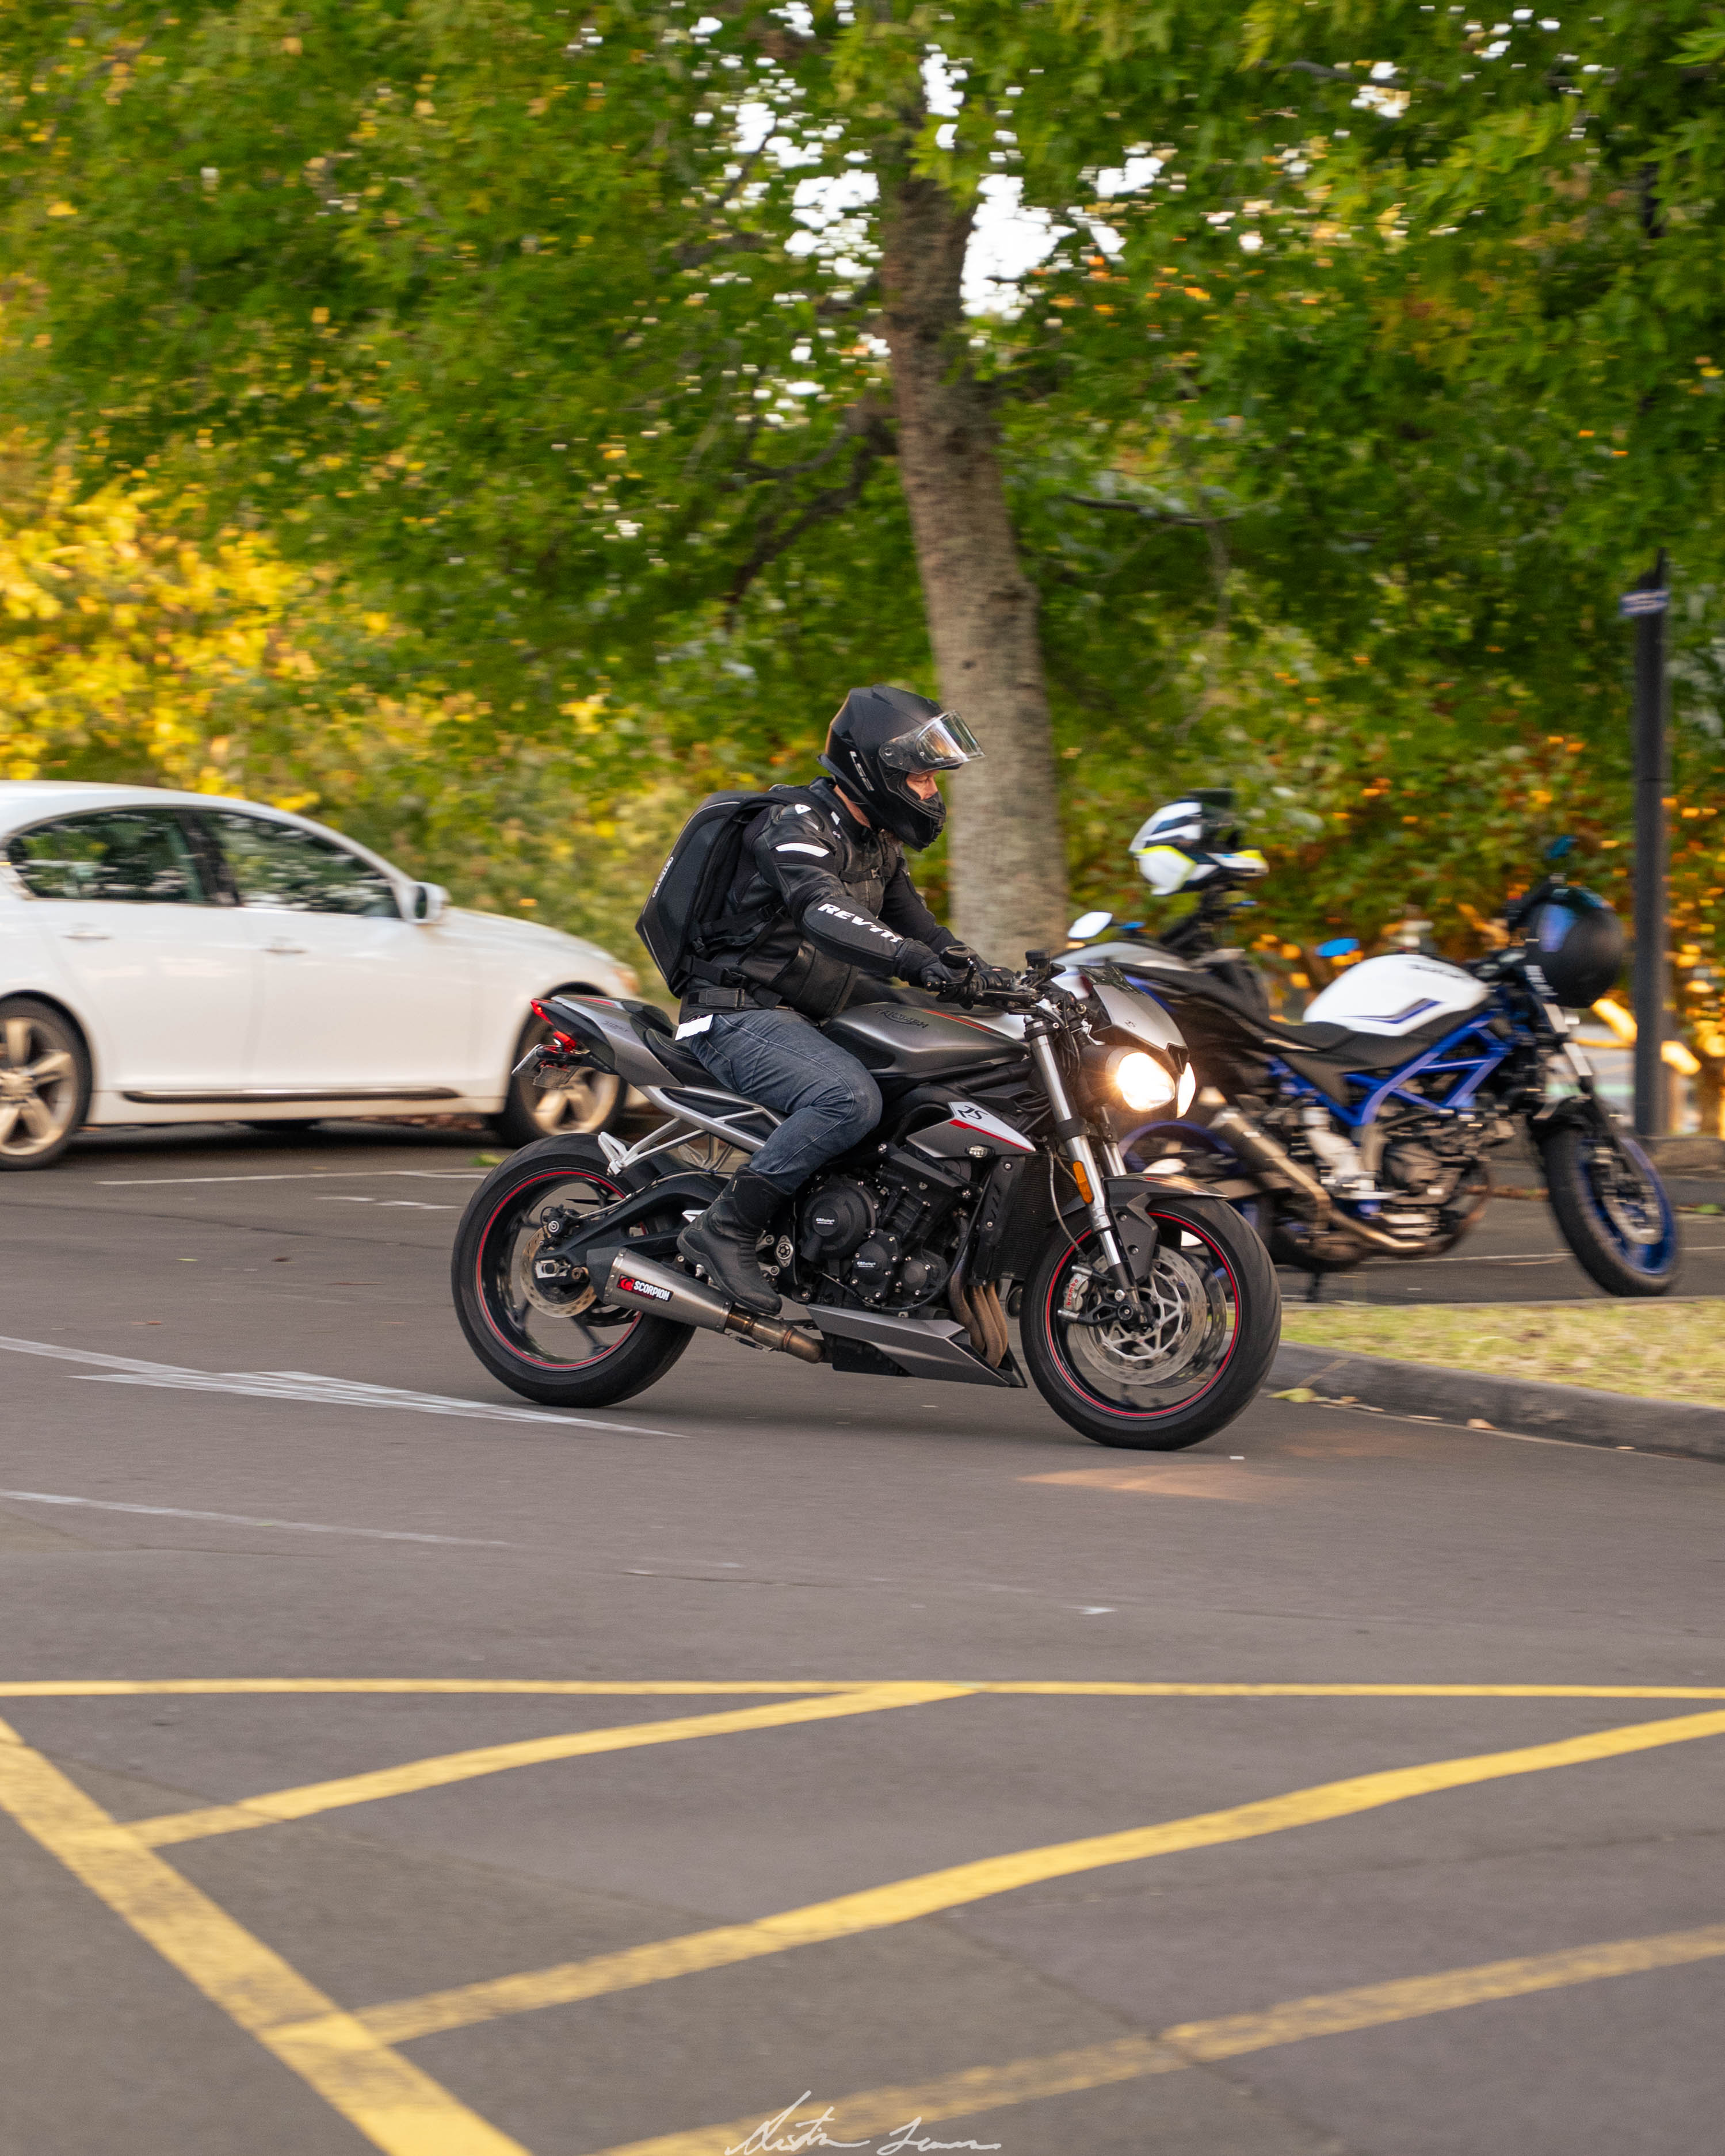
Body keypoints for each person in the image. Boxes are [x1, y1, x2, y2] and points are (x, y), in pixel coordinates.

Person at [675, 685, 1016, 1316]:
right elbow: (820, 908)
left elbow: (924, 931)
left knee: (930, 1081)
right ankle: (725, 1228)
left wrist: (992, 979)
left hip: (805, 1019)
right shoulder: (794, 825)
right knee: (848, 1099)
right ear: (873, 769)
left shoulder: (878, 844)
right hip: (733, 1012)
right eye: (920, 778)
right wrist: (914, 962)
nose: (930, 794)